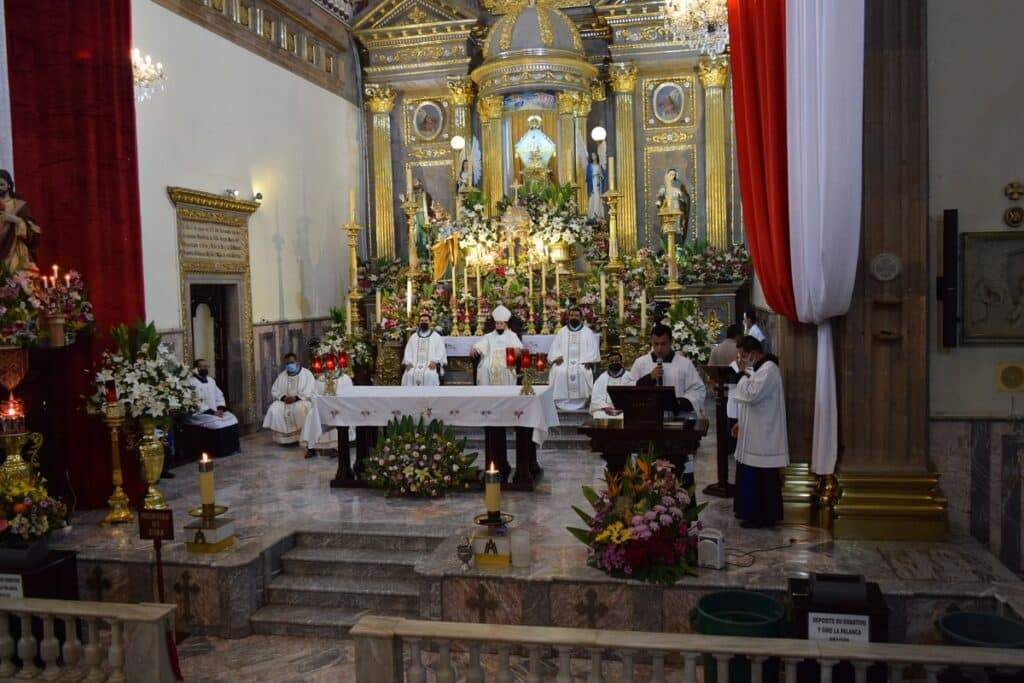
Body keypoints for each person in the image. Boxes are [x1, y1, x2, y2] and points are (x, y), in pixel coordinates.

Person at [731, 336, 788, 529]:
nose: (742, 360)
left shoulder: (769, 369)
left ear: (753, 353)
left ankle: (763, 517)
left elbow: (752, 395)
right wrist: (740, 422)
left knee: (762, 478)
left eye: (743, 356)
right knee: (751, 474)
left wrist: (740, 375)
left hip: (764, 434)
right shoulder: (759, 369)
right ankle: (750, 513)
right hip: (753, 431)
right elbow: (752, 397)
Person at [630, 323, 706, 413]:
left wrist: (678, 403)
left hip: (677, 416)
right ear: (651, 341)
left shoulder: (685, 364)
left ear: (671, 341)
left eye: (663, 344)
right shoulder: (640, 363)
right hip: (647, 416)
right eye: (656, 344)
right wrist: (649, 378)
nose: (659, 349)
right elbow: (629, 388)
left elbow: (698, 389)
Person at [262, 353, 318, 454]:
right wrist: (283, 397)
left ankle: (303, 437)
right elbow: (275, 390)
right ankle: (285, 439)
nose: (289, 365)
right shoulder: (282, 375)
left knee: (300, 409)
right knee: (274, 409)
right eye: (287, 363)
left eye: (291, 362)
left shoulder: (307, 374)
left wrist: (296, 398)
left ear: (297, 362)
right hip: (285, 401)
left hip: (301, 400)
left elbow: (310, 390)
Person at [184, 359, 241, 457]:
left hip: (215, 411)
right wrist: (212, 412)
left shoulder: (211, 380)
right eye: (202, 366)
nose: (205, 368)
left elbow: (219, 395)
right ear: (196, 368)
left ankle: (232, 448)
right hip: (199, 413)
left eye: (207, 366)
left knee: (232, 418)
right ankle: (219, 451)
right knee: (217, 423)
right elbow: (195, 400)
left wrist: (220, 409)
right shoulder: (191, 382)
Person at [548, 305, 600, 410]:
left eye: (576, 315)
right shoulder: (562, 331)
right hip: (564, 362)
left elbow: (594, 349)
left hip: (582, 362)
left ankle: (582, 400)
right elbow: (554, 347)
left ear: (581, 317)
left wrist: (589, 360)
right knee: (559, 371)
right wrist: (557, 357)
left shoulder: (587, 332)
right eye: (572, 315)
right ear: (568, 317)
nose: (574, 317)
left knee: (583, 372)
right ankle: (561, 401)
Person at [0, 169, 41, 274]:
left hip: (16, 250)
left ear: (9, 185)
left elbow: (34, 230)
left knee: (16, 280)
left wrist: (16, 220)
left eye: (1, 184)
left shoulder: (19, 205)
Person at [470, 305, 523, 385]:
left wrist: (517, 351)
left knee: (506, 369)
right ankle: (486, 393)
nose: (498, 326)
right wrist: (474, 348)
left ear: (505, 324)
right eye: (497, 324)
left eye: (501, 324)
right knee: (484, 368)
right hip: (489, 360)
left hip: (506, 360)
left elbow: (519, 348)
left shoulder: (512, 335)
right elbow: (479, 345)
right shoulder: (489, 336)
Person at [402, 311, 448, 387]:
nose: (424, 322)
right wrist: (408, 362)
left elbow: (441, 351)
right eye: (422, 321)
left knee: (430, 375)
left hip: (430, 365)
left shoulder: (436, 337)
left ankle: (430, 398)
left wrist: (435, 362)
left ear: (430, 322)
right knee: (408, 374)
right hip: (413, 364)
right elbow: (408, 351)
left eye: (426, 321)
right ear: (419, 323)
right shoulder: (414, 337)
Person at [590, 351, 635, 419]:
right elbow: (596, 397)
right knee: (598, 415)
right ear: (608, 363)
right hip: (605, 409)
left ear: (621, 362)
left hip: (624, 409)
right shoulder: (602, 378)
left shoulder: (629, 377)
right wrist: (605, 407)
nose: (614, 363)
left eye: (616, 361)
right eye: (611, 361)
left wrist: (623, 407)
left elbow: (633, 396)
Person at [585, 151, 605, 221]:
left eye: (594, 155)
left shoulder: (599, 166)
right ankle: (592, 216)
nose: (594, 157)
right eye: (592, 156)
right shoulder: (589, 166)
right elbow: (587, 177)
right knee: (593, 199)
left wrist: (599, 175)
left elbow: (603, 176)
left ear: (597, 155)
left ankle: (598, 216)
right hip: (592, 184)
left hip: (598, 184)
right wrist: (593, 175)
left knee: (598, 199)